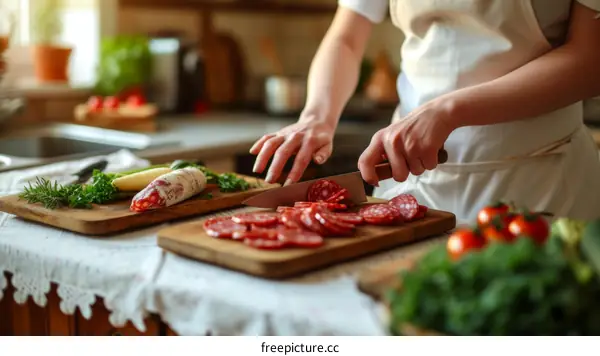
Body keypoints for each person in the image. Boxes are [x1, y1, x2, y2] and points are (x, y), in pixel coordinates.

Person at [250, 0, 600, 224]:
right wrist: (317, 116)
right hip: (410, 186)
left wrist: (448, 110)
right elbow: (347, 37)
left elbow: (591, 60)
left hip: (542, 186)